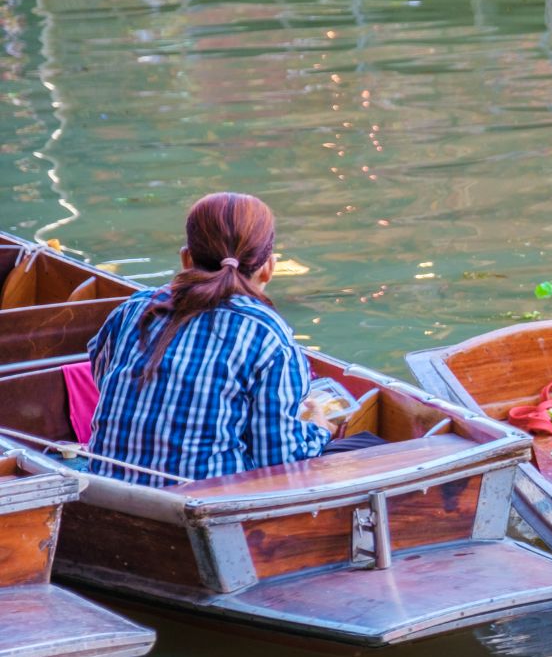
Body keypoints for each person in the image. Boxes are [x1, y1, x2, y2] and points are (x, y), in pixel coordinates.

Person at [86, 192, 358, 485]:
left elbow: (103, 378)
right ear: (269, 267)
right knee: (365, 445)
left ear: (186, 258)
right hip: (205, 500)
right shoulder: (267, 333)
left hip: (107, 490)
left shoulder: (134, 309)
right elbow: (279, 460)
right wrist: (319, 429)